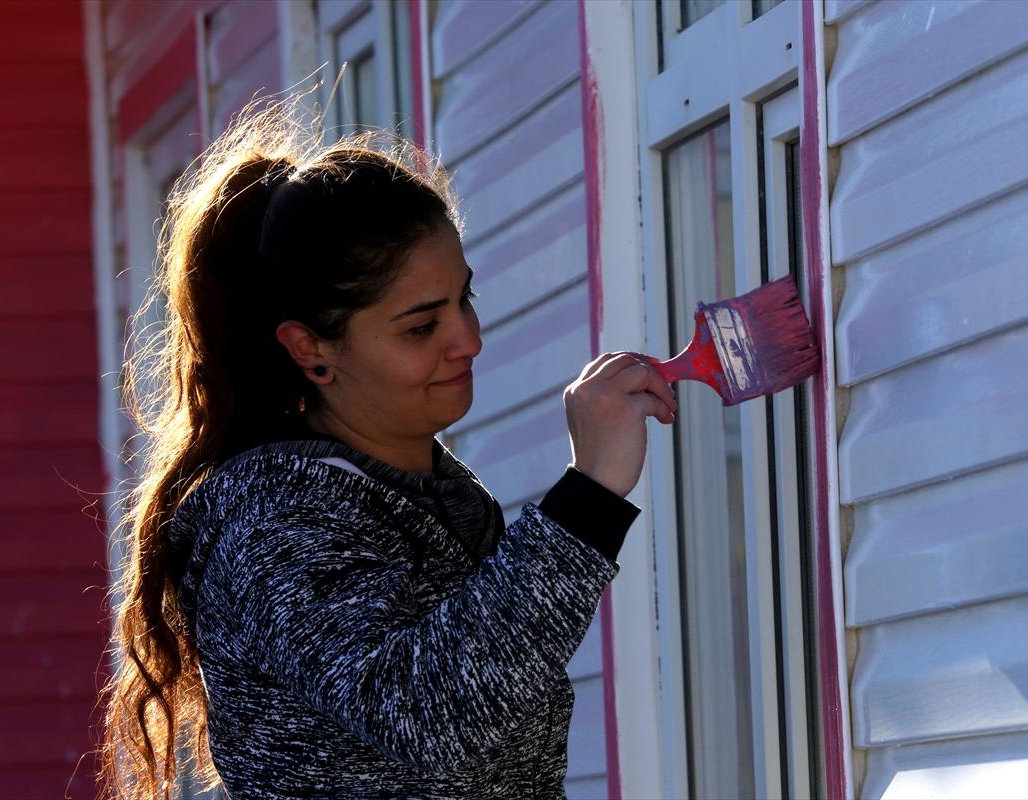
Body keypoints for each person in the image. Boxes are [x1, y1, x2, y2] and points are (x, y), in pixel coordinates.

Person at [97, 103, 677, 800]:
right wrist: (588, 497)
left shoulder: (431, 493)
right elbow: (428, 715)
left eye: (465, 299)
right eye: (421, 325)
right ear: (311, 349)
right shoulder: (275, 525)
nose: (468, 339)